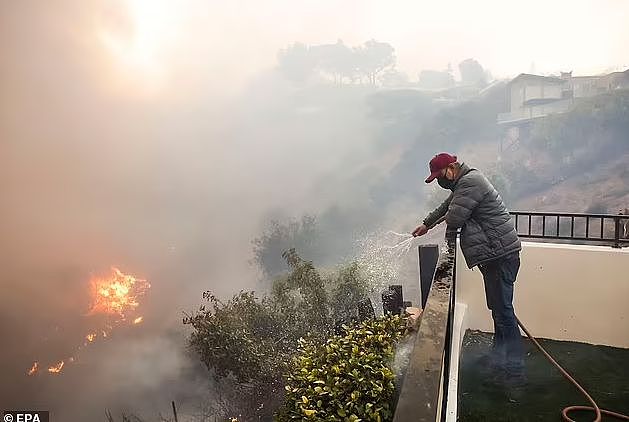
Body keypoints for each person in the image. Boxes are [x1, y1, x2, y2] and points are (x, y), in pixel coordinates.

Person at [412, 152, 525, 385]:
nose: (440, 182)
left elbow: (454, 218)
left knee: (504, 312)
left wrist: (447, 246)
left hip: (500, 255)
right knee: (498, 310)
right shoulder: (463, 183)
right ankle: (499, 359)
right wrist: (426, 224)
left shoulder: (470, 182)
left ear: (452, 168)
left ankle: (514, 372)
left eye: (440, 176)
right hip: (495, 255)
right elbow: (447, 206)